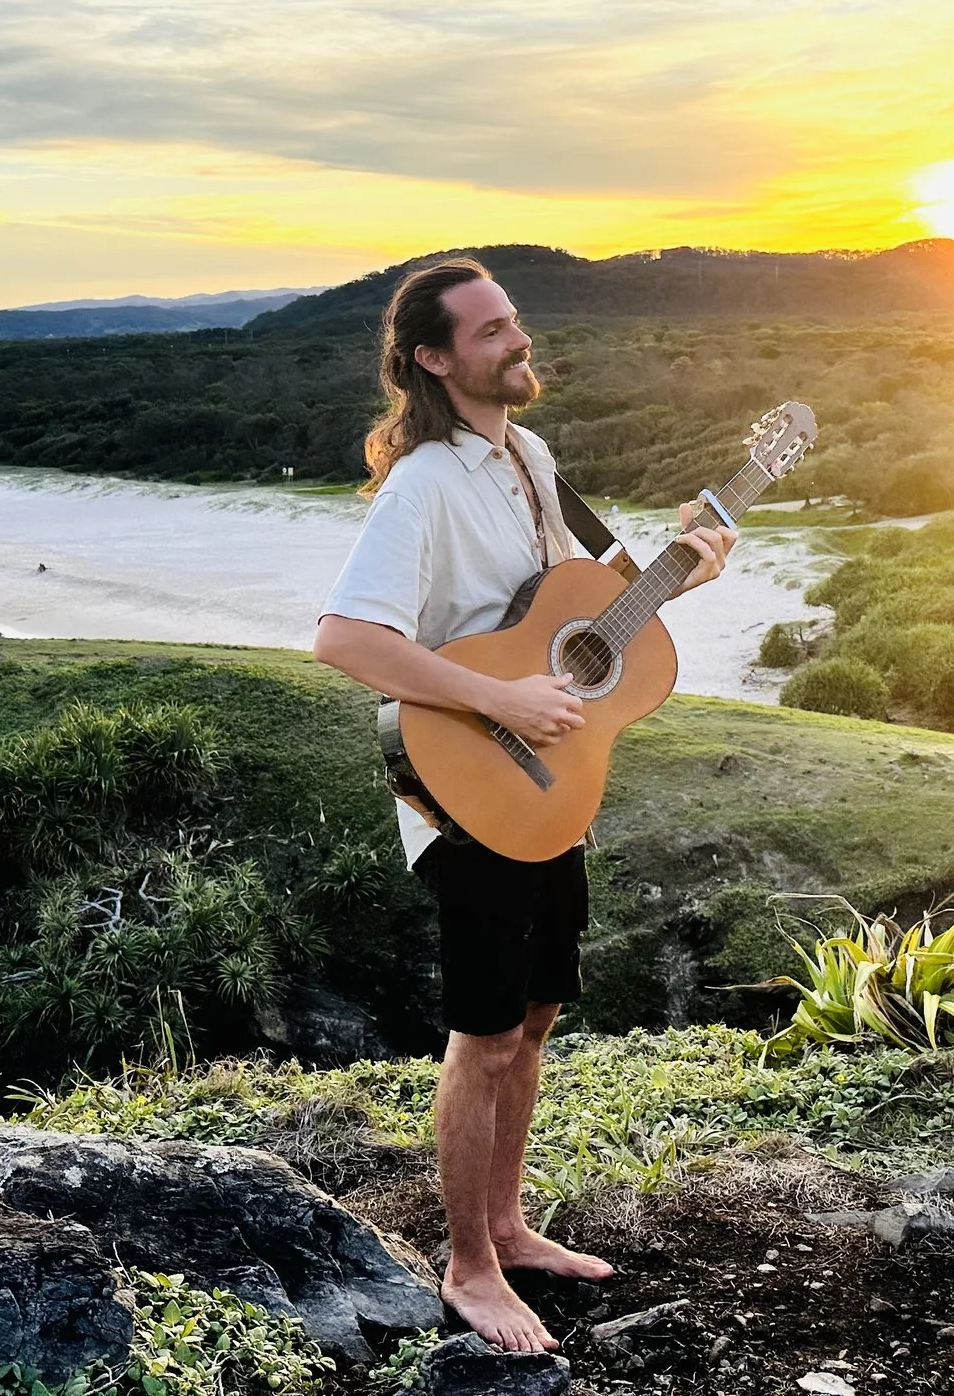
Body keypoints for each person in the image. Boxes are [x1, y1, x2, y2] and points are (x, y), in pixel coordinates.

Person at [311, 258, 735, 1353]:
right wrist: (499, 693)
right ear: (434, 360)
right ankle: (467, 1265)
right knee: (485, 1031)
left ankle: (507, 1224)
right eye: (491, 332)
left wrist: (685, 565)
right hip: (464, 781)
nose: (518, 341)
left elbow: (588, 610)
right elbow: (347, 639)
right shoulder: (424, 486)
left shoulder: (530, 457)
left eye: (515, 322)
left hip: (550, 782)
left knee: (536, 1016)